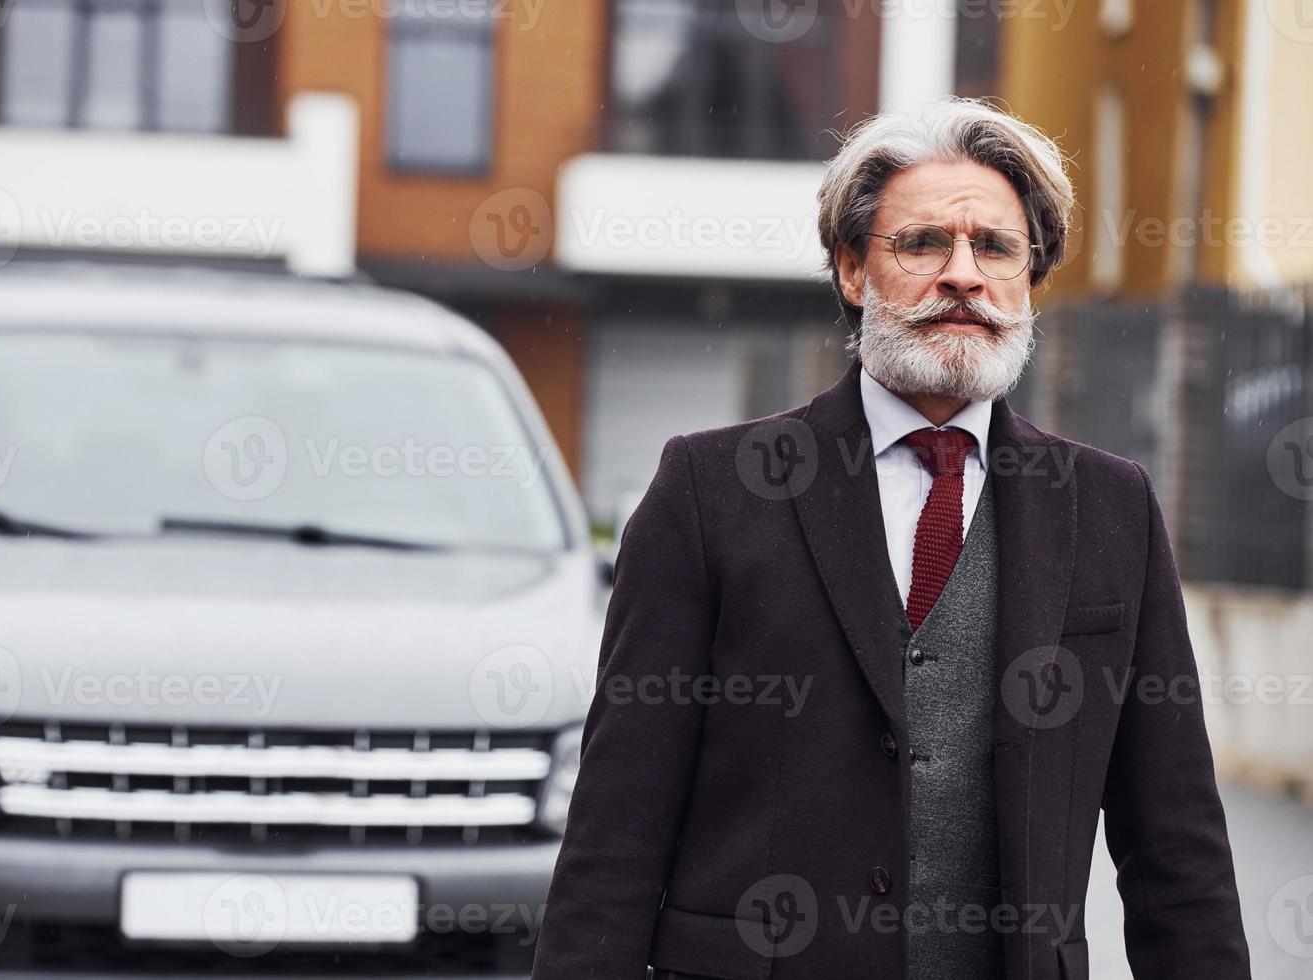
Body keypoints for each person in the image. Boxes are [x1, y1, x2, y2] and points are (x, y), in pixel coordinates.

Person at [529, 97, 1251, 980]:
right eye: (921, 245)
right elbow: (617, 826)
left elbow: (1175, 847)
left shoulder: (1111, 509)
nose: (963, 275)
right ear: (851, 269)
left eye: (995, 247)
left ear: (1030, 280)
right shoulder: (709, 491)